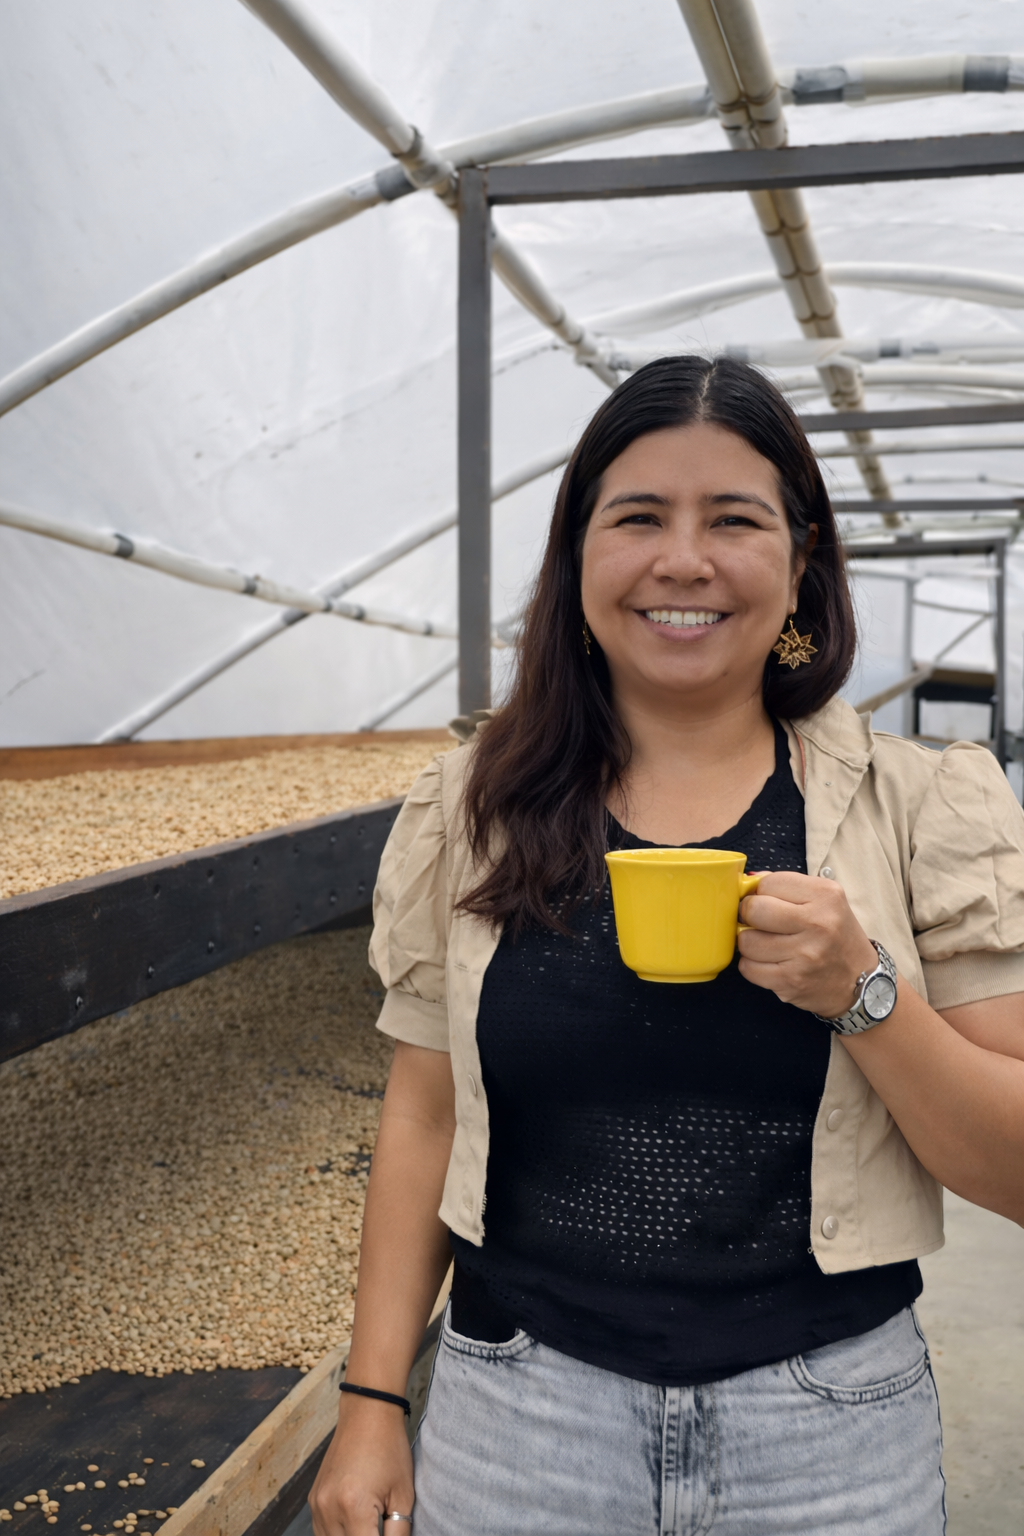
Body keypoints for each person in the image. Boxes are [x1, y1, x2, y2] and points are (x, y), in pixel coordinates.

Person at [310, 357, 1024, 1536]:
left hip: (829, 1431)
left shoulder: (920, 807)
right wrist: (373, 1397)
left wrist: (866, 997)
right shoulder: (470, 811)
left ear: (800, 563)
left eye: (733, 520)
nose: (681, 561)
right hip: (518, 1419)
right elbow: (423, 1112)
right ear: (578, 558)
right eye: (636, 517)